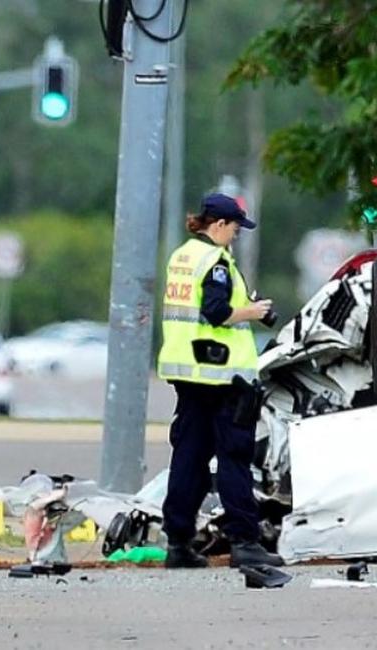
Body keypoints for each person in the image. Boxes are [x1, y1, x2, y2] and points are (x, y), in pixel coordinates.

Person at [157, 192, 283, 569]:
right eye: (235, 228)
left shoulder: (183, 256)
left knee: (189, 458)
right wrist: (253, 311)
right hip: (223, 376)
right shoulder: (215, 261)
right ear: (218, 225)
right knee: (234, 458)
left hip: (189, 374)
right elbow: (215, 312)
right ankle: (244, 541)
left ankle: (178, 544)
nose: (236, 235)